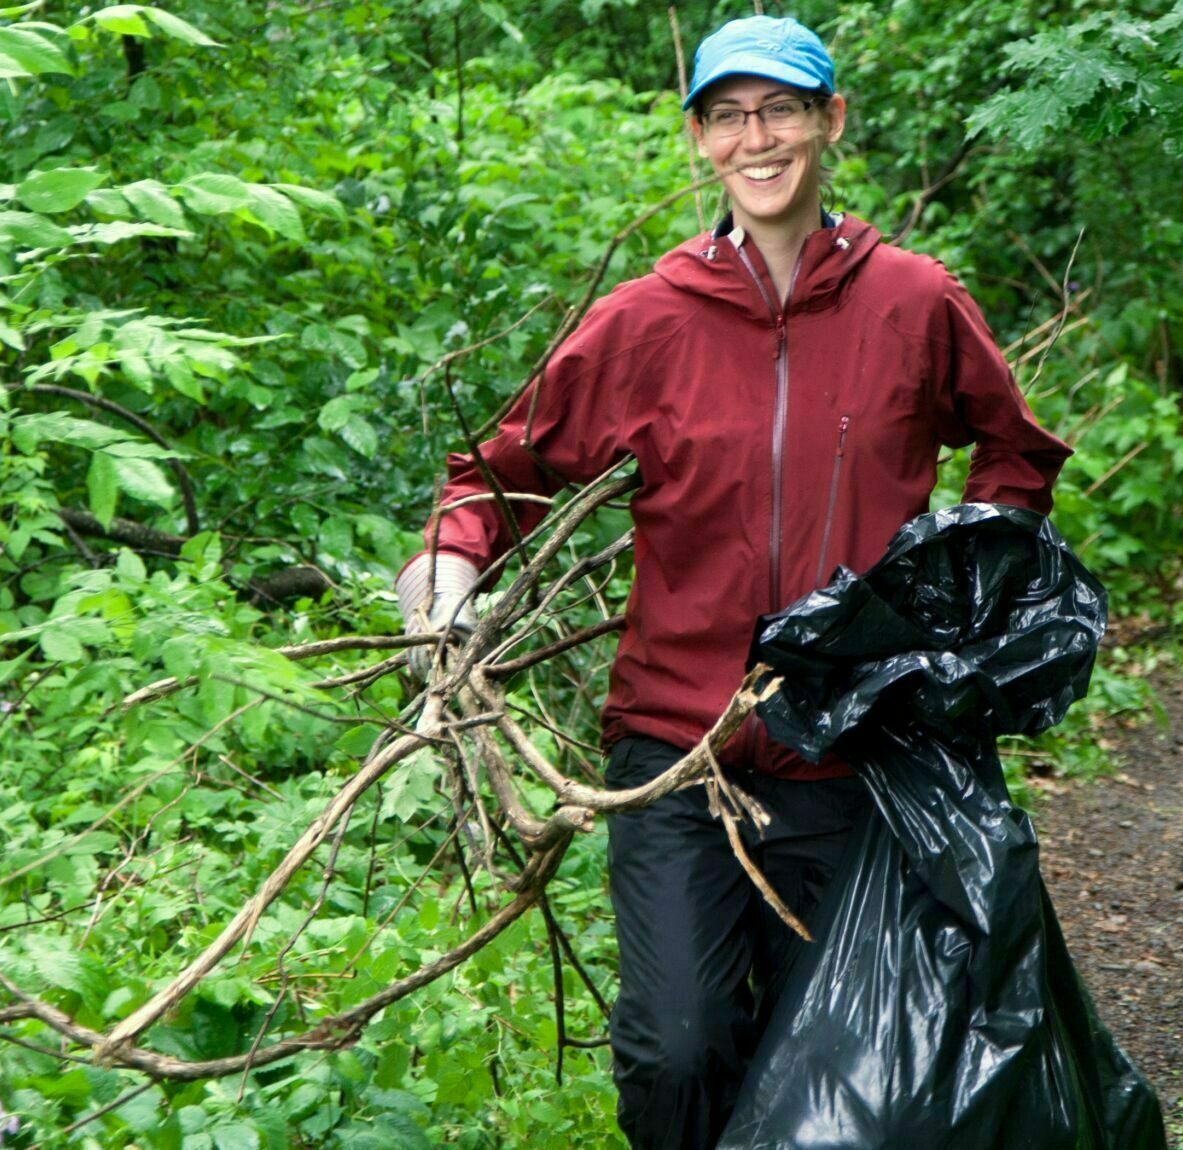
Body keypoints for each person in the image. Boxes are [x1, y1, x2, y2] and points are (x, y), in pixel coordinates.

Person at [395, 15, 1072, 1149]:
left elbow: (1015, 449)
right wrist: (451, 558)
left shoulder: (910, 300)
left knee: (837, 1074)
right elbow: (501, 471)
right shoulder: (647, 320)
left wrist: (972, 575)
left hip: (857, 751)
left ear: (830, 121)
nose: (755, 138)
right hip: (674, 753)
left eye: (780, 110)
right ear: (700, 138)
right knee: (678, 1047)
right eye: (727, 115)